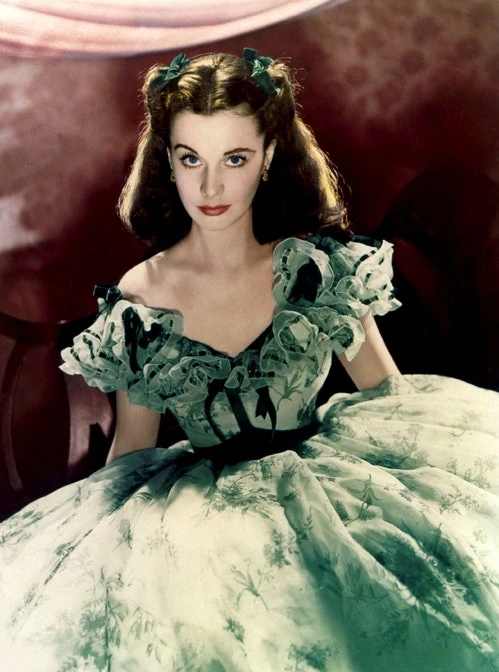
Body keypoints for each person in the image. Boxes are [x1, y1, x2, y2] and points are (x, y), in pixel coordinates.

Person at [0, 48, 498, 672]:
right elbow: (132, 450)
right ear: (167, 162)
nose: (210, 188)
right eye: (191, 160)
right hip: (200, 521)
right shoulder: (140, 297)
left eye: (234, 159)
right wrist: (90, 556)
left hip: (330, 498)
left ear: (268, 157)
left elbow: (389, 398)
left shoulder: (317, 266)